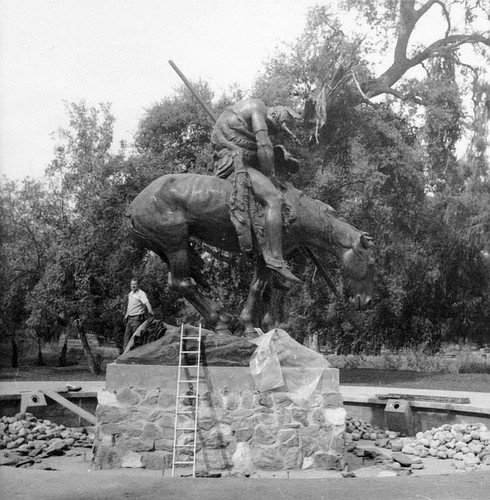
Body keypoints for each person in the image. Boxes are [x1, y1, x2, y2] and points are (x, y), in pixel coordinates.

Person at [211, 98, 302, 283]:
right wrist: (270, 177)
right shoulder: (257, 109)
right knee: (274, 198)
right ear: (275, 115)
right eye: (274, 127)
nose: (272, 129)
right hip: (234, 161)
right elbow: (263, 144)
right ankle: (276, 259)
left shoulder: (247, 109)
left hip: (238, 157)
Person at [123, 278, 154, 349]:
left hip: (137, 318)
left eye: (134, 284)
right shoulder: (130, 294)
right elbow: (129, 306)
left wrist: (150, 309)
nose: (133, 286)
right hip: (129, 318)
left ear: (138, 285)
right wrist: (126, 315)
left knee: (136, 338)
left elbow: (146, 302)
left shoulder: (141, 293)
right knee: (126, 337)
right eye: (132, 284)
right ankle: (124, 356)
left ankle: (135, 355)